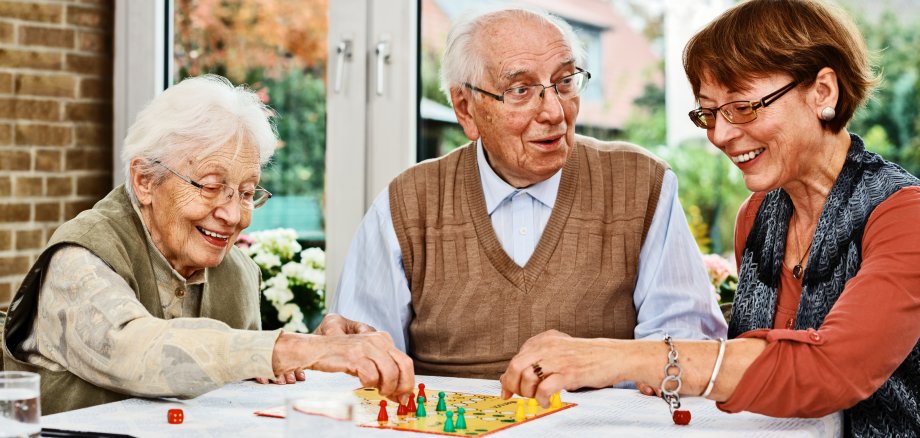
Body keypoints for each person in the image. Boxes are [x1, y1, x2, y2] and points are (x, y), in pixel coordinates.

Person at [499, 0, 920, 435]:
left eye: (742, 107)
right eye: (709, 113)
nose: (720, 134)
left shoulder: (905, 215)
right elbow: (763, 376)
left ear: (824, 92)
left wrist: (616, 357)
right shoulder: (756, 217)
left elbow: (832, 368)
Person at [317, 5, 727, 380]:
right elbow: (359, 355)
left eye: (565, 82)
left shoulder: (642, 183)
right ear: (465, 108)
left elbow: (685, 346)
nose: (553, 112)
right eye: (520, 90)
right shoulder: (407, 203)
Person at [0, 75, 414, 414]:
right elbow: (136, 351)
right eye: (213, 187)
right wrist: (292, 348)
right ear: (145, 181)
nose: (233, 215)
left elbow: (246, 380)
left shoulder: (235, 272)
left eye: (247, 192)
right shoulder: (80, 258)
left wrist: (316, 347)